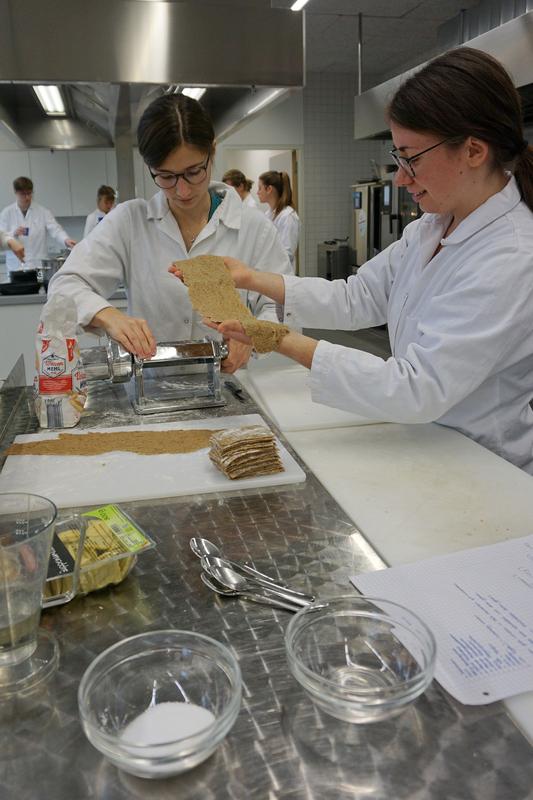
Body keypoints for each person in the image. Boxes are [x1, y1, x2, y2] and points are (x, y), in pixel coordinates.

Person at [198, 48, 533, 473]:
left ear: (473, 150)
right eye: (398, 158)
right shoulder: (431, 228)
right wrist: (252, 278)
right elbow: (358, 296)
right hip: (429, 442)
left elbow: (417, 387)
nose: (401, 177)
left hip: (488, 466)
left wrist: (277, 337)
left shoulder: (511, 256)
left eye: (411, 158)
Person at [48, 94, 291, 373]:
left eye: (193, 172)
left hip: (232, 389)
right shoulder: (130, 222)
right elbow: (64, 287)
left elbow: (284, 308)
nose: (182, 191)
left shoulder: (254, 228)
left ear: (212, 151)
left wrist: (253, 335)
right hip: (153, 390)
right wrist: (107, 315)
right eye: (166, 176)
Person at [0, 177, 76, 272]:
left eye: (29, 193)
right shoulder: (6, 213)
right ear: (16, 192)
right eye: (23, 194)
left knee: (40, 285)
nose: (27, 197)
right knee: (18, 287)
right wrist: (13, 233)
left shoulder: (43, 212)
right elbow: (2, 238)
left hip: (39, 266)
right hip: (15, 267)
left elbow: (55, 230)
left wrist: (66, 240)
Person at [257, 170, 300, 271]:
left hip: (281, 273)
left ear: (269, 189)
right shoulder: (268, 214)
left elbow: (288, 254)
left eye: (260, 188)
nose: (257, 192)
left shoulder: (288, 216)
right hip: (268, 271)